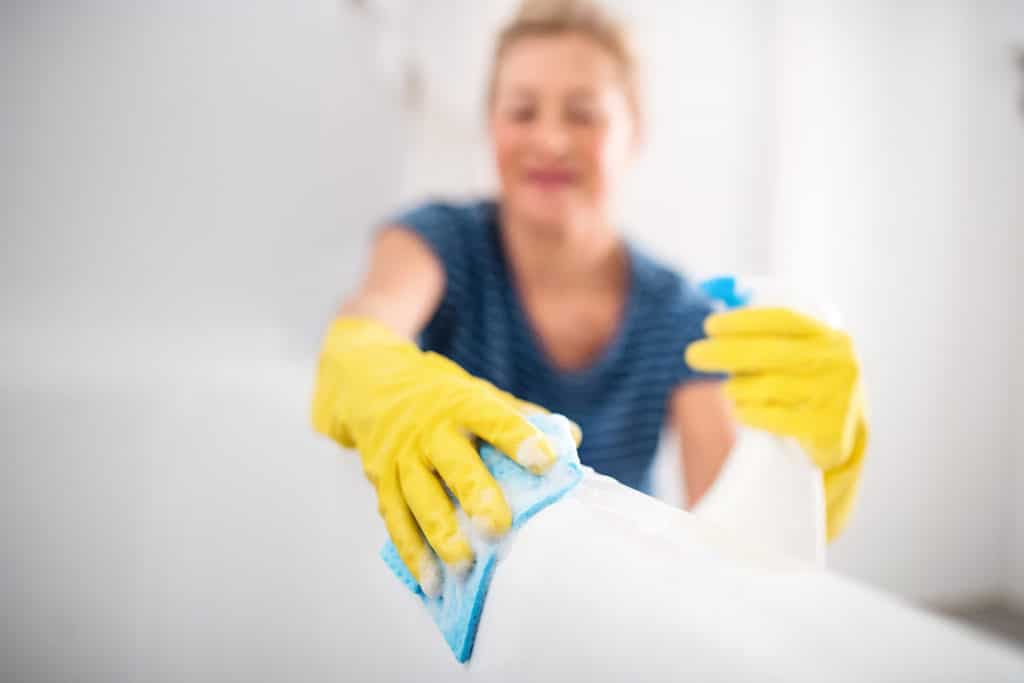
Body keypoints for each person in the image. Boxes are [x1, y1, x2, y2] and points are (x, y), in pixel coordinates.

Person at [312, 0, 867, 596]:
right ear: (490, 125)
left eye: (583, 114)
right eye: (522, 111)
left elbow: (729, 537)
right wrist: (381, 377)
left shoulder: (678, 314)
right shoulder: (438, 242)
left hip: (609, 606)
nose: (550, 139)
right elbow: (369, 322)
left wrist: (797, 475)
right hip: (461, 600)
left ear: (635, 133)